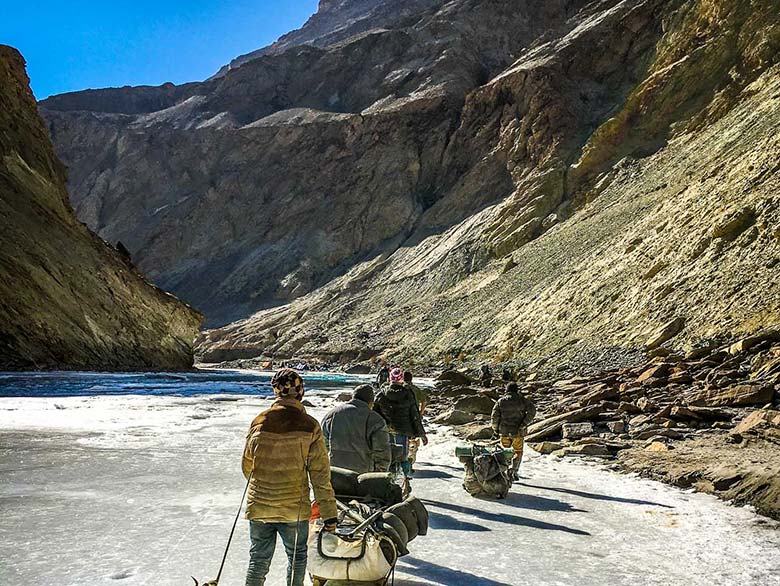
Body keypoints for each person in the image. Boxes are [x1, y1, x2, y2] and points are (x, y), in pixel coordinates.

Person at [242, 368, 338, 586]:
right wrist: (329, 515)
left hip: (259, 505)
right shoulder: (309, 425)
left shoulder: (259, 421)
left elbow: (247, 466)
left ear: (276, 392)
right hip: (293, 507)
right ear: (300, 391)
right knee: (297, 558)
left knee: (258, 560)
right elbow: (320, 476)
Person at [373, 368, 427, 495]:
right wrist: (422, 434)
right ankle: (405, 484)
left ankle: (386, 485)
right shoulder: (408, 394)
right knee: (403, 458)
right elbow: (414, 416)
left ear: (390, 379)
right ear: (401, 379)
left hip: (385, 431)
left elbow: (373, 415)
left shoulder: (381, 394)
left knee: (387, 458)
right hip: (403, 432)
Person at [321, 384, 392, 474]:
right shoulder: (375, 419)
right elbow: (382, 450)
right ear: (371, 402)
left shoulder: (332, 414)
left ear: (353, 397)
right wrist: (381, 473)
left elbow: (322, 445)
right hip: (363, 475)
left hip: (336, 472)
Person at [491, 382, 536, 481]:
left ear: (506, 390)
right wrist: (524, 423)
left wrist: (495, 430)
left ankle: (504, 470)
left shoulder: (500, 401)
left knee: (504, 452)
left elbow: (494, 417)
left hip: (504, 432)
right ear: (517, 390)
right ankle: (514, 470)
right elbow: (532, 411)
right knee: (518, 451)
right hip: (518, 432)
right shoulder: (523, 400)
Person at [403, 371, 429, 472]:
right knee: (413, 441)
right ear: (411, 378)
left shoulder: (401, 389)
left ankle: (404, 462)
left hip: (402, 419)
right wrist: (421, 413)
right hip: (414, 418)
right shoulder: (416, 389)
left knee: (404, 441)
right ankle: (410, 463)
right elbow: (424, 401)